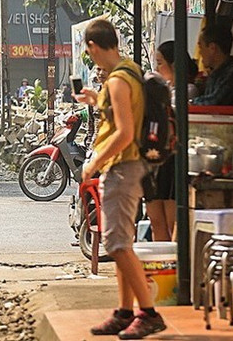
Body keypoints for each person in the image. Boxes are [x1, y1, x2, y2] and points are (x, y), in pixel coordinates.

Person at [75, 19, 166, 339]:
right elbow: (125, 115)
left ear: (93, 47)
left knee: (115, 244)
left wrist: (94, 163)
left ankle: (148, 312)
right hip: (131, 166)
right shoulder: (130, 70)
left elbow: (125, 132)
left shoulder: (116, 80)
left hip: (121, 168)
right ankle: (125, 311)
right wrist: (94, 101)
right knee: (122, 243)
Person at [145, 41, 198, 242]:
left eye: (160, 63)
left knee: (171, 221)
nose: (157, 68)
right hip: (154, 157)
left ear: (174, 65)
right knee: (155, 220)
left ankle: (175, 267)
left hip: (172, 159)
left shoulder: (187, 90)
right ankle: (162, 266)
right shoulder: (164, 88)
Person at [191, 24, 233, 106]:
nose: (200, 52)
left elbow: (215, 101)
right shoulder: (214, 74)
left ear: (212, 48)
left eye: (201, 47)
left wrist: (189, 103)